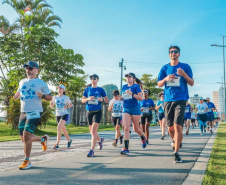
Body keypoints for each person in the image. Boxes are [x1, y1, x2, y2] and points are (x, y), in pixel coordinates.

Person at [157, 46, 194, 163]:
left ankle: (176, 152)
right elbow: (159, 84)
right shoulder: (165, 68)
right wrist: (166, 78)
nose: (173, 53)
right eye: (171, 52)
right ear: (169, 54)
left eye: (176, 52)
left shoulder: (186, 67)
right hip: (168, 100)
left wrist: (184, 75)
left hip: (181, 99)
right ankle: (176, 141)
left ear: (179, 54)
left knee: (178, 126)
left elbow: (192, 82)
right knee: (170, 129)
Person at [13, 61, 52, 170]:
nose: (28, 70)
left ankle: (27, 161)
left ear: (36, 70)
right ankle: (42, 139)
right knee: (23, 138)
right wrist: (16, 96)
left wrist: (43, 95)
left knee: (26, 136)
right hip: (23, 112)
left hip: (35, 112)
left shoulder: (41, 83)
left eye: (30, 68)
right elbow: (18, 93)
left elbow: (50, 97)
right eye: (26, 68)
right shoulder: (21, 82)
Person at [82, 74, 109, 157]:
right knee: (91, 131)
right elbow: (82, 100)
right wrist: (88, 99)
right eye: (91, 78)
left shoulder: (100, 89)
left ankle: (92, 150)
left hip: (97, 111)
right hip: (89, 111)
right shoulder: (87, 89)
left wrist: (102, 99)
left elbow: (107, 100)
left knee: (93, 131)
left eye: (94, 78)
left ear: (97, 80)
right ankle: (100, 140)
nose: (92, 79)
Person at [120, 72, 145, 155]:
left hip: (135, 109)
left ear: (133, 79)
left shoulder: (136, 86)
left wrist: (132, 94)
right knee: (126, 128)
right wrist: (121, 98)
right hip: (126, 108)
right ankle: (126, 148)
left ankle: (142, 136)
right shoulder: (124, 86)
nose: (128, 78)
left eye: (130, 76)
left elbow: (141, 98)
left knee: (136, 129)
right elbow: (123, 97)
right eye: (126, 76)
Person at [50, 84, 73, 149]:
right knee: (63, 129)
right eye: (58, 88)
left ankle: (57, 144)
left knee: (58, 128)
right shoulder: (55, 97)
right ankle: (69, 140)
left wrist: (67, 106)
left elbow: (71, 105)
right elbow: (51, 106)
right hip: (58, 115)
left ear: (63, 90)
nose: (59, 90)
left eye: (60, 88)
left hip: (65, 114)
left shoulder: (66, 97)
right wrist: (51, 105)